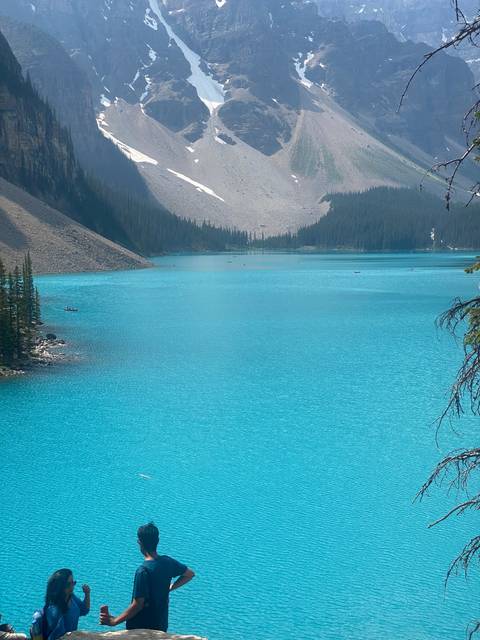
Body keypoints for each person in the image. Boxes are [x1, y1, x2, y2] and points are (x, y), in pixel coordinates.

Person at [100, 522, 194, 633]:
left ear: (140, 543)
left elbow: (138, 605)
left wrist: (114, 621)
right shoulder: (168, 562)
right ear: (157, 541)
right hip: (160, 626)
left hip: (140, 629)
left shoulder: (142, 571)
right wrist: (170, 587)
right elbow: (189, 574)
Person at [43, 569, 90, 640]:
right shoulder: (53, 609)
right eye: (69, 584)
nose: (72, 586)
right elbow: (59, 635)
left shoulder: (71, 597)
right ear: (60, 586)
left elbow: (84, 610)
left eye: (73, 583)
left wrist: (87, 594)